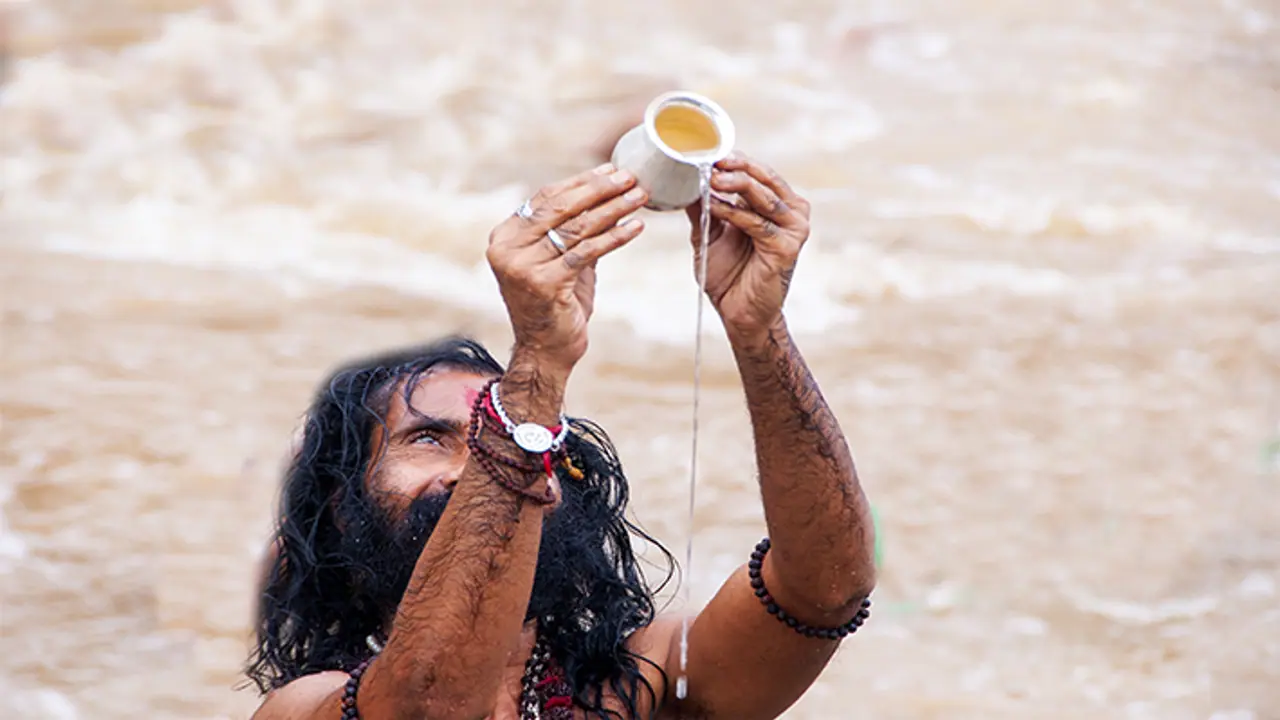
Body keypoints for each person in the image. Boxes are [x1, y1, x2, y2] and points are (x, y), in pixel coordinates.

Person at [246, 153, 878, 720]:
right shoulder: (305, 708)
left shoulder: (644, 686)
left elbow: (828, 587)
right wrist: (538, 368)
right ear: (343, 506)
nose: (472, 469)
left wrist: (759, 332)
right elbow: (432, 707)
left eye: (503, 436)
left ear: (560, 491)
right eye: (429, 439)